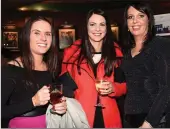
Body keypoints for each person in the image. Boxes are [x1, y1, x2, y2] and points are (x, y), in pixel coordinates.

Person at [61, 8, 126, 128]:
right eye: (92, 24)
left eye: (102, 24)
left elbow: (124, 86)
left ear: (107, 28)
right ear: (86, 27)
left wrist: (113, 88)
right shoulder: (71, 53)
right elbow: (63, 85)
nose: (97, 29)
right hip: (80, 116)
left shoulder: (116, 53)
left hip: (109, 117)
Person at [1, 16, 67, 128]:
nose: (43, 38)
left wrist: (60, 106)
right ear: (27, 37)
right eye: (37, 33)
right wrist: (33, 102)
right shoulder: (11, 69)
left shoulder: (52, 69)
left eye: (48, 34)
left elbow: (51, 104)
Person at [121, 3, 170, 128]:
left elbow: (166, 88)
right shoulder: (127, 52)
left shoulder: (160, 45)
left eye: (140, 16)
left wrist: (149, 123)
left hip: (155, 121)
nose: (135, 21)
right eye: (130, 17)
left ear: (149, 20)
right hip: (129, 119)